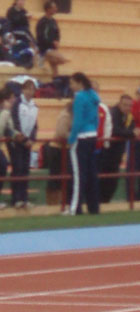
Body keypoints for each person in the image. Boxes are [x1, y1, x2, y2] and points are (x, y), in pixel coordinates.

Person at [68, 72, 100, 215]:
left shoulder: (79, 97)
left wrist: (71, 138)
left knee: (79, 174)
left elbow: (78, 121)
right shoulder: (93, 95)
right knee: (92, 173)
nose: (71, 86)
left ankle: (75, 207)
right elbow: (96, 119)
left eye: (72, 83)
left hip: (81, 137)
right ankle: (94, 207)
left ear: (79, 82)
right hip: (92, 135)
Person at [99, 94, 135, 203]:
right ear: (120, 104)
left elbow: (130, 129)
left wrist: (130, 133)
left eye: (129, 106)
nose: (127, 108)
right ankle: (101, 201)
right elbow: (115, 130)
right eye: (125, 105)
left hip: (116, 155)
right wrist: (131, 133)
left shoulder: (129, 116)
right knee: (104, 180)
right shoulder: (113, 113)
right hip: (107, 153)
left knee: (113, 181)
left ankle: (105, 201)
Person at [8, 79, 38, 208]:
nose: (30, 92)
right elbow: (15, 122)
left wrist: (31, 139)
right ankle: (16, 198)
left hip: (27, 143)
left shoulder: (34, 105)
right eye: (28, 89)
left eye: (32, 89)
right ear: (23, 90)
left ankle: (24, 198)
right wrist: (23, 139)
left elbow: (35, 125)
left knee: (25, 169)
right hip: (17, 141)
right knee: (18, 168)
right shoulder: (17, 104)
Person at [36, 1, 69, 76]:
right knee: (62, 59)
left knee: (55, 69)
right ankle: (43, 57)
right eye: (54, 8)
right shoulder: (42, 22)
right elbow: (41, 37)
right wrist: (51, 42)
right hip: (45, 48)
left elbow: (57, 33)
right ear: (48, 9)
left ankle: (55, 82)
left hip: (52, 48)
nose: (56, 9)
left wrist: (57, 41)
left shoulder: (53, 21)